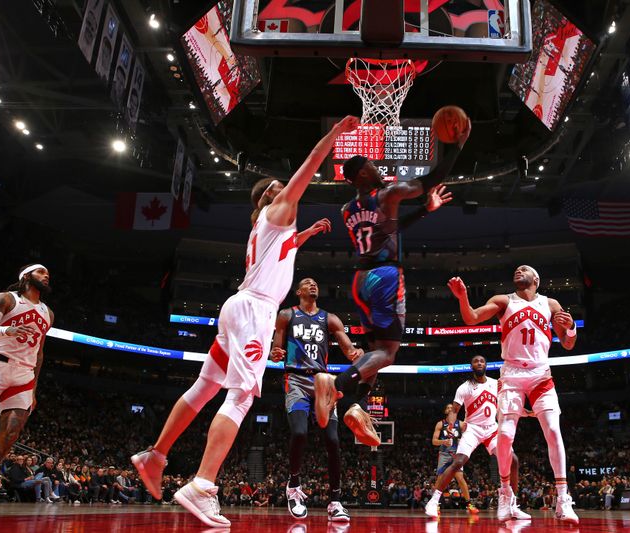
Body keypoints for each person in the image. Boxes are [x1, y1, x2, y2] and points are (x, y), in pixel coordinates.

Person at [132, 115, 361, 527]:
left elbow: (285, 248)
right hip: (255, 312)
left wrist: (306, 234)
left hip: (238, 306)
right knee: (239, 397)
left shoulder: (266, 229)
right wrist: (335, 135)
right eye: (279, 188)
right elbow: (309, 163)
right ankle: (202, 485)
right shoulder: (276, 210)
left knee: (205, 386)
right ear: (269, 198)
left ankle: (155, 455)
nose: (288, 191)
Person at [314, 118, 470, 445]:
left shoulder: (347, 209)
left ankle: (357, 405)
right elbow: (435, 177)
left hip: (360, 280)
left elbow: (389, 228)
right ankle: (336, 385)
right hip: (385, 277)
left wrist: (425, 211)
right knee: (389, 354)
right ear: (360, 175)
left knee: (375, 352)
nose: (376, 166)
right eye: (370, 165)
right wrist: (457, 145)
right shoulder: (390, 193)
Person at [447, 265, 579, 524]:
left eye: (525, 269)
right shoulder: (503, 300)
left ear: (536, 279)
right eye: (516, 270)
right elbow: (471, 318)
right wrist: (463, 297)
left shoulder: (551, 304)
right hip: (512, 375)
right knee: (505, 434)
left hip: (541, 374)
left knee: (553, 430)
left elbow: (567, 343)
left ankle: (563, 499)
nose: (519, 271)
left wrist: (572, 326)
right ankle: (505, 493)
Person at [268, 277, 364, 521]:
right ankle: (294, 486)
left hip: (322, 383)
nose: (313, 285)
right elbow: (276, 350)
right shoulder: (287, 315)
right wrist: (275, 353)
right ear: (299, 291)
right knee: (300, 432)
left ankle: (335, 502)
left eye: (316, 284)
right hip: (297, 380)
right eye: (307, 283)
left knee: (332, 440)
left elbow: (347, 347)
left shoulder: (329, 319)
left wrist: (354, 353)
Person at [0, 264, 54, 491]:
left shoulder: (48, 313)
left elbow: (39, 352)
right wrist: (6, 330)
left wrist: (34, 388)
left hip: (24, 376)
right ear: (27, 276)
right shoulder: (6, 299)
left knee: (9, 436)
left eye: (48, 274)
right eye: (41, 272)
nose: (46, 276)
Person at [425, 355, 530, 520]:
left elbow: (508, 403)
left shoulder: (496, 383)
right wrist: (451, 426)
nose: (479, 363)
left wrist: (528, 412)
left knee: (514, 460)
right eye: (475, 361)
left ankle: (512, 505)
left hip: (492, 429)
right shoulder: (464, 387)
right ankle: (433, 501)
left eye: (482, 361)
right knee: (458, 462)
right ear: (471, 366)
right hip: (472, 429)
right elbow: (454, 410)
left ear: (486, 365)